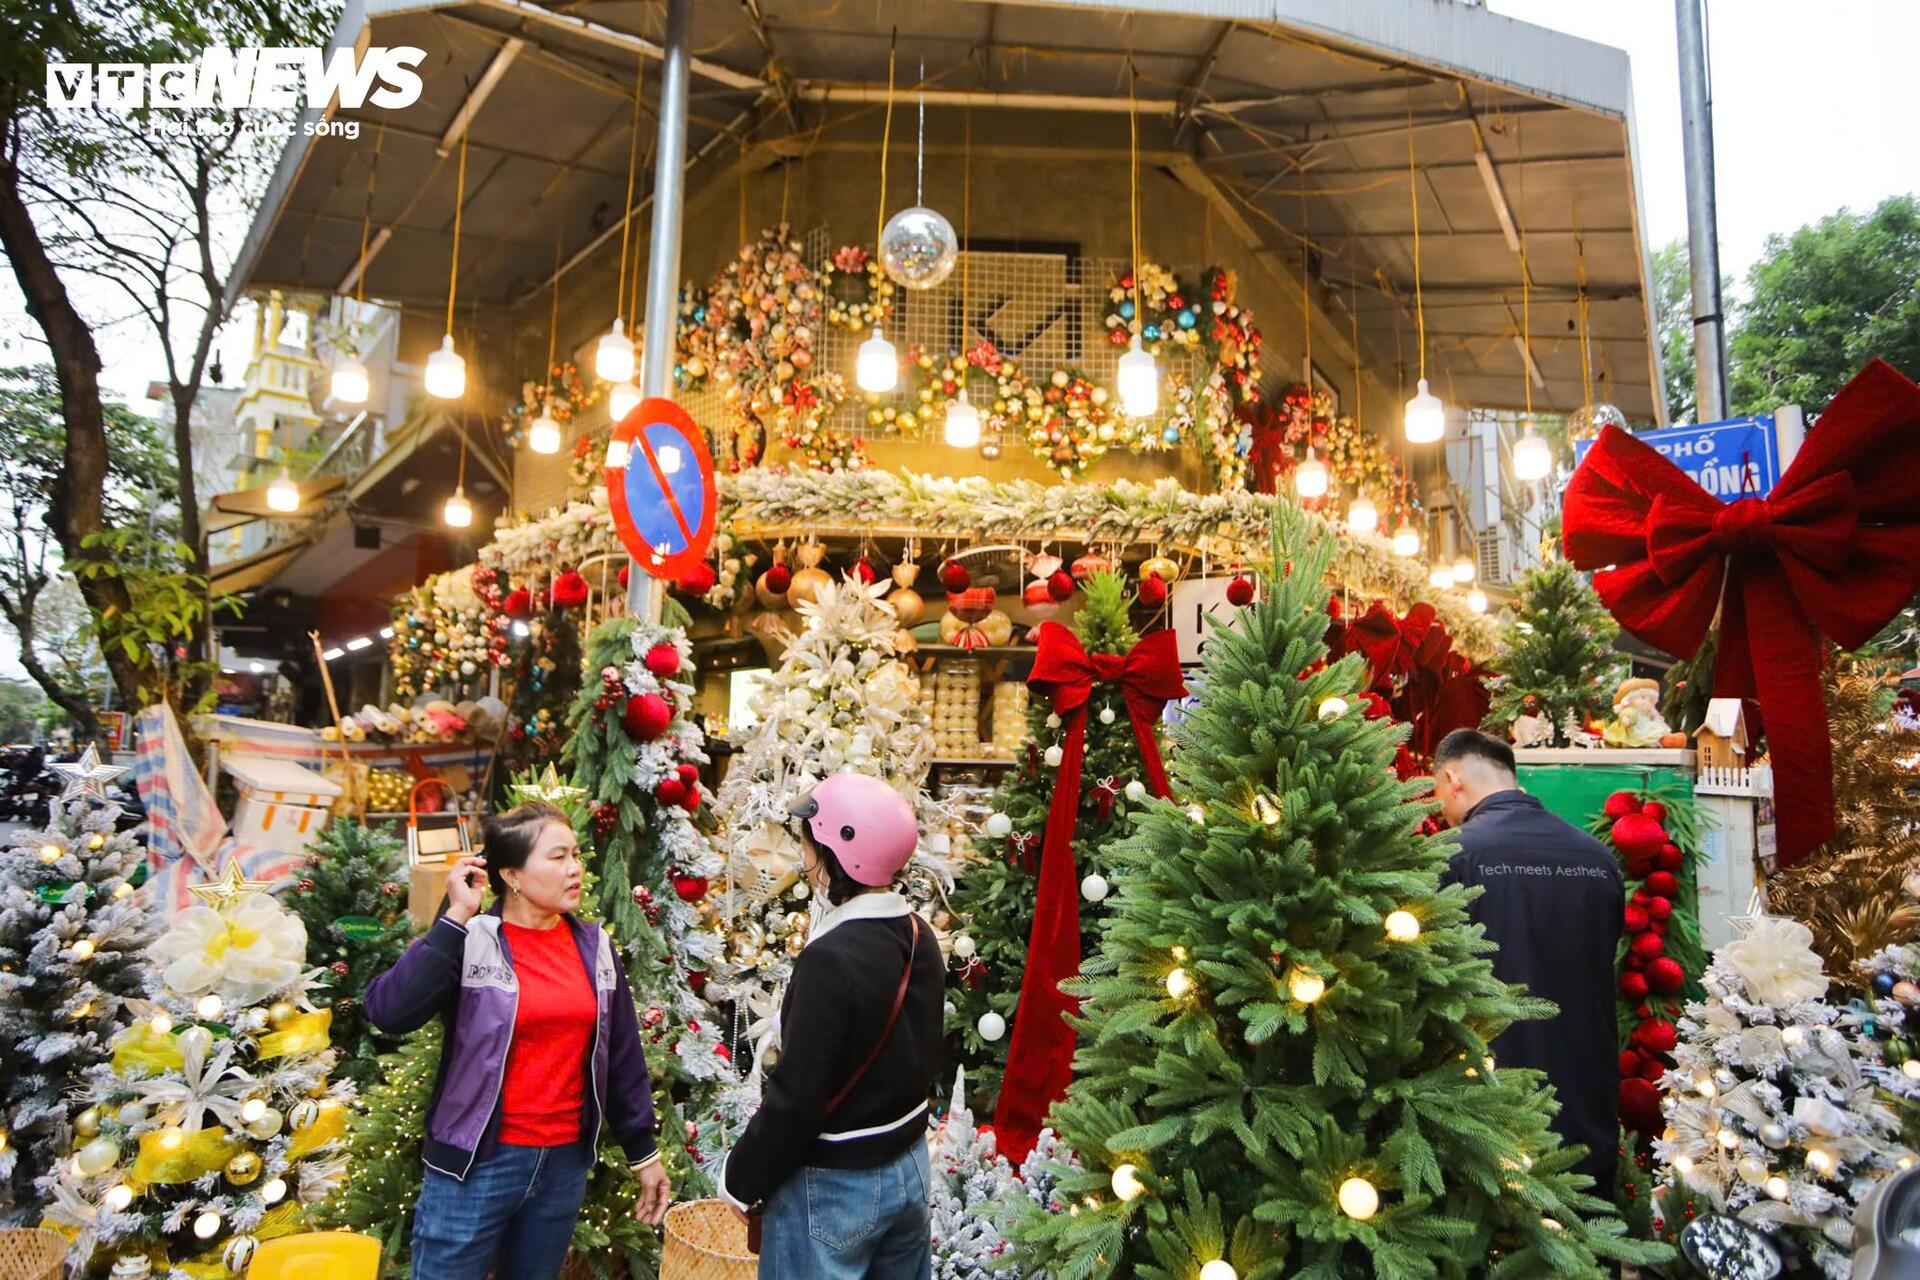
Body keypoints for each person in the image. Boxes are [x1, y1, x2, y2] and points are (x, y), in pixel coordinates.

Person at [365, 802, 671, 1280]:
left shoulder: (596, 949)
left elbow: (623, 1060)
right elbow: (389, 1011)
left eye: (575, 855)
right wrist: (453, 919)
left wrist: (643, 1154)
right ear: (511, 874)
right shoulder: (471, 939)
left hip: (562, 1167)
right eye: (557, 857)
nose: (575, 869)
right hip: (476, 1167)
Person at [719, 773, 944, 1279]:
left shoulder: (830, 958)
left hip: (835, 1185)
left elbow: (797, 1098)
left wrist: (740, 1179)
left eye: (806, 843)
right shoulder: (917, 933)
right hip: (908, 1166)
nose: (803, 858)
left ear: (839, 851)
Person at [1432, 728, 1623, 1192]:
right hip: (1588, 1085)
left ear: (1453, 779)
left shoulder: (1455, 854)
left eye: (1437, 790)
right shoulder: (1598, 858)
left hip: (1496, 1094)